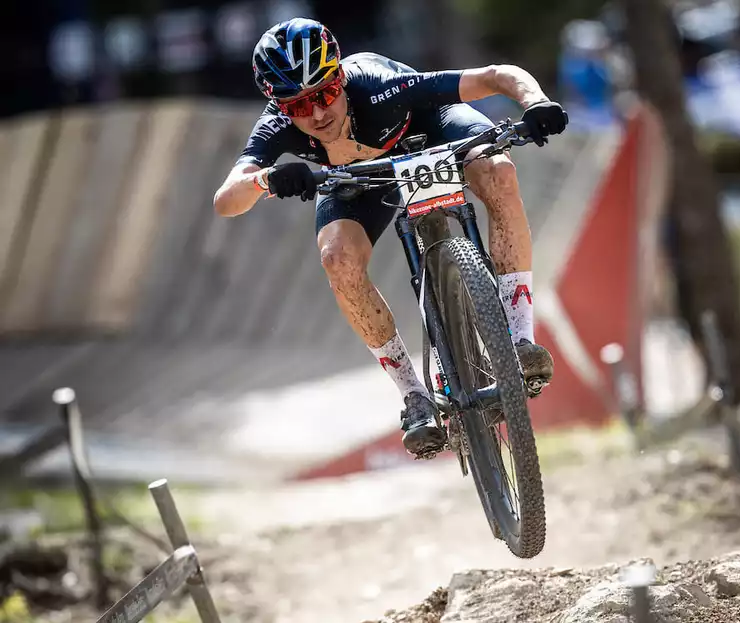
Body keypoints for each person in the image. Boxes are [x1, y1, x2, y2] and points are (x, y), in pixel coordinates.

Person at [213, 18, 568, 456]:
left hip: (428, 131)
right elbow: (226, 200)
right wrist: (266, 180)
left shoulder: (381, 85)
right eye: (299, 106)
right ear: (280, 107)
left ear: (340, 77)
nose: (318, 114)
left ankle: (518, 339)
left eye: (324, 94)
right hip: (355, 179)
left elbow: (495, 76)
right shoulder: (277, 127)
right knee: (337, 258)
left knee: (497, 172)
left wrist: (536, 103)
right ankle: (413, 394)